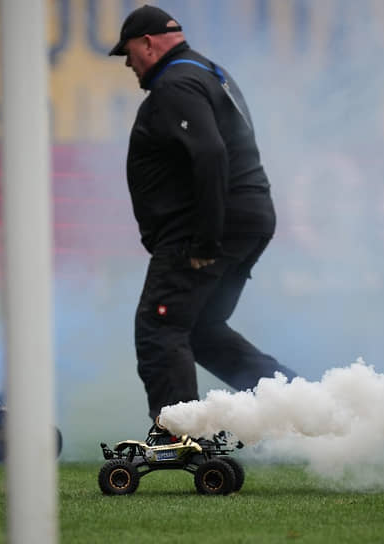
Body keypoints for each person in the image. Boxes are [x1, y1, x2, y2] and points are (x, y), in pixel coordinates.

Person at [109, 5, 297, 435]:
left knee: (161, 327)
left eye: (128, 53)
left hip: (207, 230)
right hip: (247, 218)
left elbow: (210, 154)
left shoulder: (176, 83)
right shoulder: (207, 71)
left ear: (148, 44)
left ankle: (181, 436)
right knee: (202, 331)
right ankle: (305, 409)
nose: (128, 64)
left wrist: (205, 241)